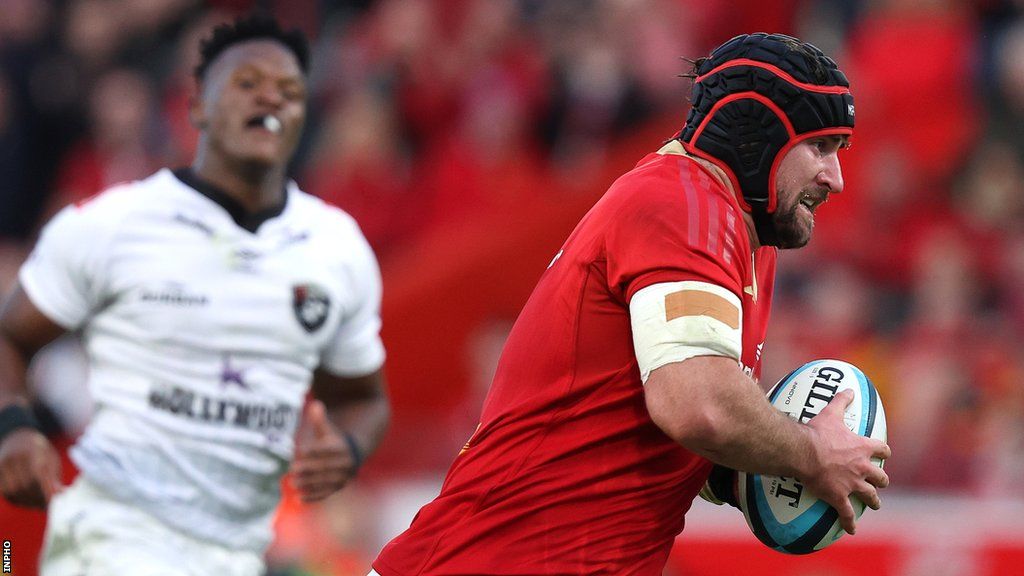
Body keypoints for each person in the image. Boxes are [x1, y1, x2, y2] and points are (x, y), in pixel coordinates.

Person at [371, 33, 890, 576]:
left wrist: (760, 469)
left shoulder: (740, 232)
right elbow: (696, 405)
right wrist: (811, 451)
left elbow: (655, 421)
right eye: (820, 147)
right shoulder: (685, 204)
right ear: (763, 137)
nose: (836, 177)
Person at [0, 14, 389, 576]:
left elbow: (364, 397)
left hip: (241, 555)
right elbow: (10, 337)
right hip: (112, 545)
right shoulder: (113, 224)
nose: (271, 100)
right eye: (247, 83)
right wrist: (12, 429)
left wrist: (347, 449)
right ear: (198, 106)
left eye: (290, 91)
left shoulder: (335, 247)